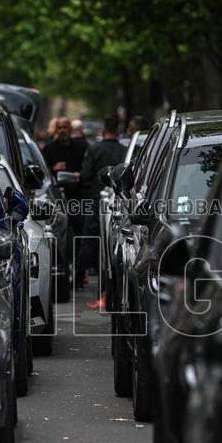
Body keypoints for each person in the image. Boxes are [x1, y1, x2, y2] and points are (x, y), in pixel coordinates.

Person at [80, 117, 126, 309]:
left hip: (97, 199)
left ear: (104, 129)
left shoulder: (94, 149)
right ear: (117, 130)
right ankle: (112, 288)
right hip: (121, 202)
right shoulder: (125, 151)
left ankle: (81, 274)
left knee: (91, 240)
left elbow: (85, 175)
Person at [42, 116, 88, 286]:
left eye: (65, 127)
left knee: (81, 234)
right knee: (60, 237)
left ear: (70, 129)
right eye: (59, 128)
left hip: (78, 198)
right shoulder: (48, 150)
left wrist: (79, 175)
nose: (62, 131)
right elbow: (43, 174)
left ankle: (80, 274)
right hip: (56, 199)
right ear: (56, 130)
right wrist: (53, 170)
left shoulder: (82, 147)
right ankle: (61, 271)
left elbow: (88, 170)